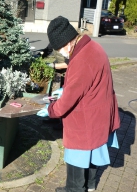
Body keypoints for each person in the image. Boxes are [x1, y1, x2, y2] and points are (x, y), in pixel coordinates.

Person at [37, 16, 120, 192]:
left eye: (59, 48)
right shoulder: (92, 47)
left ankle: (74, 189)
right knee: (92, 153)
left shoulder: (82, 59)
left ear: (67, 42)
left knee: (78, 155)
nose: (60, 52)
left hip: (85, 118)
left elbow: (67, 102)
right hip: (98, 112)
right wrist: (65, 89)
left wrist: (51, 109)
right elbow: (83, 85)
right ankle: (89, 186)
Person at [40, 43, 69, 130]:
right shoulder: (55, 40)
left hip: (67, 72)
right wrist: (40, 55)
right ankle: (54, 117)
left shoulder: (67, 44)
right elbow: (48, 50)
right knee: (54, 96)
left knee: (64, 98)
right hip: (59, 71)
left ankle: (63, 123)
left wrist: (53, 65)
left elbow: (69, 63)